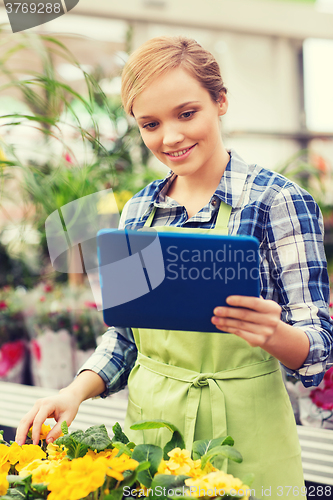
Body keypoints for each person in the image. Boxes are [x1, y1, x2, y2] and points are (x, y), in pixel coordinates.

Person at [16, 36, 332, 497]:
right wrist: (74, 391)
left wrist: (277, 335)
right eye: (150, 123)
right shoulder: (138, 212)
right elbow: (126, 335)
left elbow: (320, 348)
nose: (171, 138)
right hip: (152, 442)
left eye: (187, 113)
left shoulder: (278, 202)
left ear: (220, 101)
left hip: (249, 444)